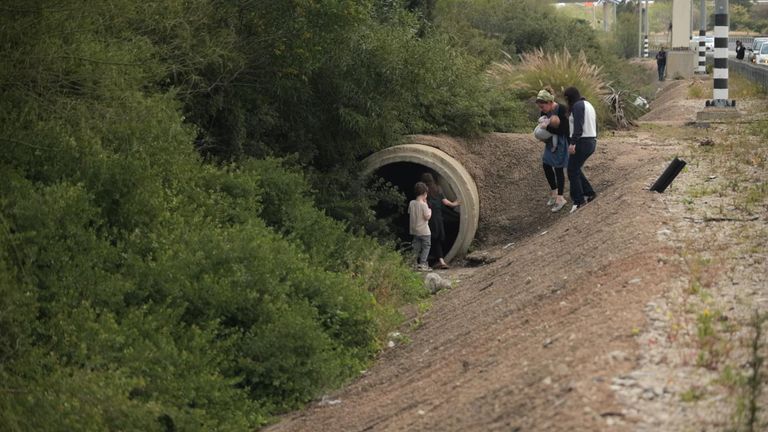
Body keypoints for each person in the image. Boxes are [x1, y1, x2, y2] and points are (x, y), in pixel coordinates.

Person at [534, 87, 569, 212]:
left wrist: (547, 128)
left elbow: (563, 130)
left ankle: (560, 198)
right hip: (550, 142)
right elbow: (542, 124)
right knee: (546, 164)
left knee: (558, 168)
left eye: (542, 106)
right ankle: (554, 192)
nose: (541, 110)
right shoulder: (544, 111)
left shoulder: (562, 109)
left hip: (561, 142)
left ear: (549, 103)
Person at [564, 87, 597, 213]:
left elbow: (579, 125)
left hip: (582, 141)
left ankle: (578, 201)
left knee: (572, 170)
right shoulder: (588, 105)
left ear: (569, 97)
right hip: (591, 140)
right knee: (575, 168)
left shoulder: (578, 106)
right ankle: (589, 193)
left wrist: (573, 143)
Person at [420, 173, 460, 269]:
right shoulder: (438, 190)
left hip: (429, 220)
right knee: (436, 240)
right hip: (439, 219)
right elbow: (447, 203)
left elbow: (422, 205)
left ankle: (428, 261)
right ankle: (440, 261)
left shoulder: (424, 193)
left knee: (427, 240)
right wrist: (456, 203)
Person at [408, 182, 432, 271]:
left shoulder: (411, 203)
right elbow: (427, 217)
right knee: (426, 247)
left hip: (415, 230)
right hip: (424, 231)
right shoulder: (424, 205)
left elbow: (410, 212)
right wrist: (430, 210)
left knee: (416, 247)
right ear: (425, 194)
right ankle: (422, 264)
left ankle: (413, 263)